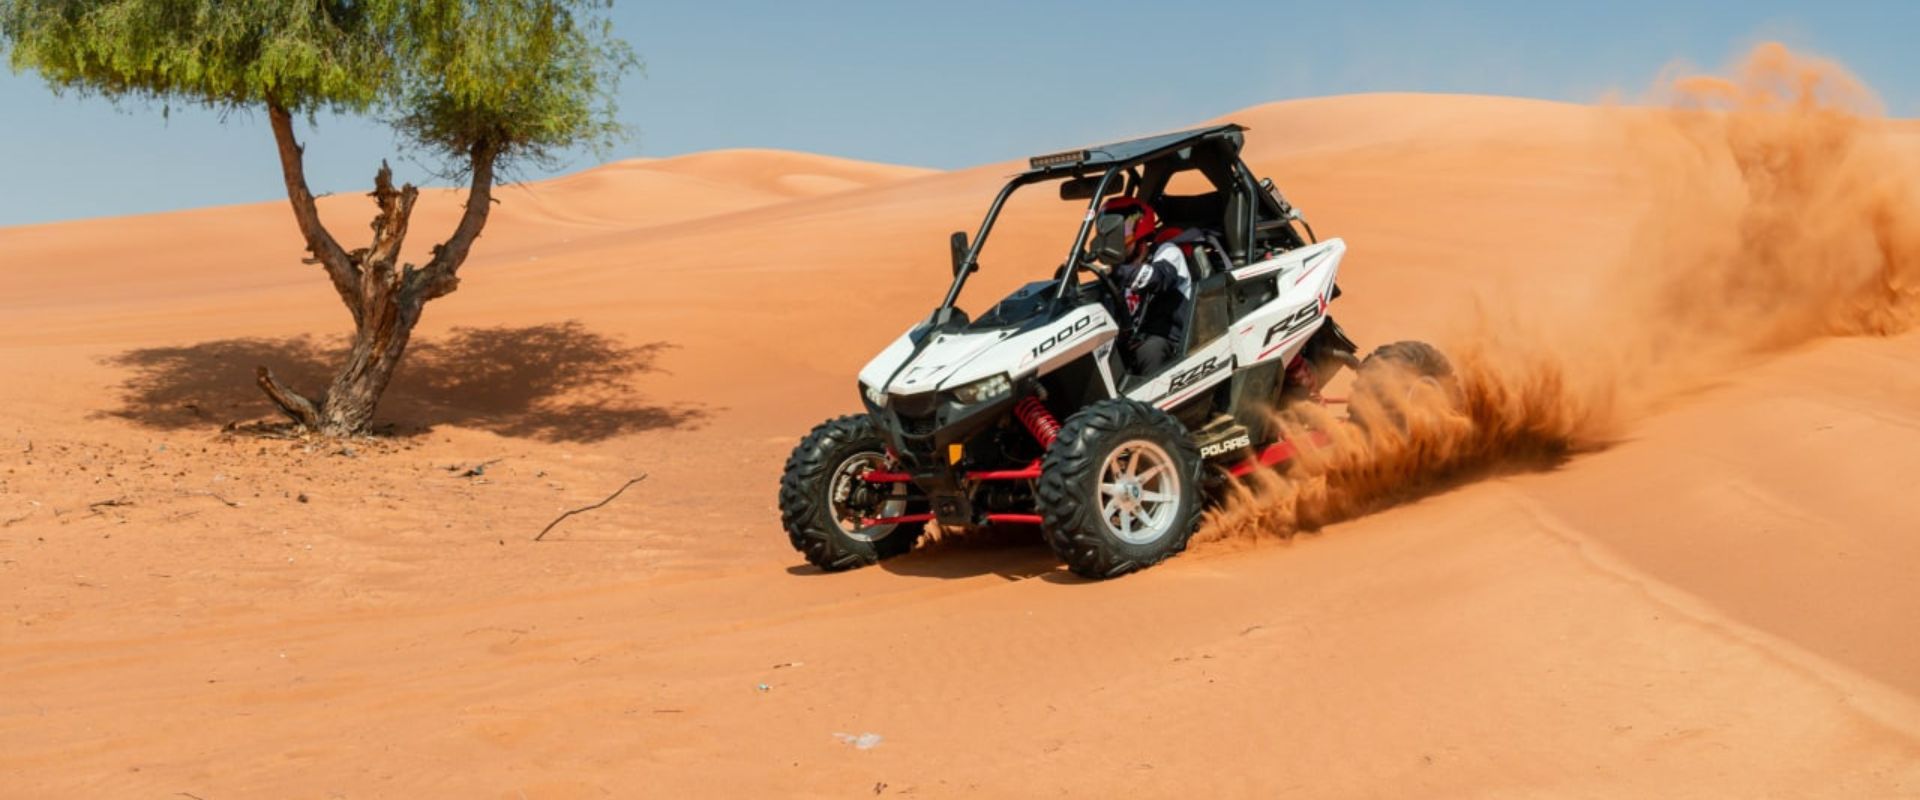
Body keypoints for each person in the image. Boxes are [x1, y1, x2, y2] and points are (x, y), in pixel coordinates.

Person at [1090, 196, 1191, 375]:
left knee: (1149, 350)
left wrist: (1113, 271)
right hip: (1132, 337)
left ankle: (1155, 403)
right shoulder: (1117, 269)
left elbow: (1158, 279)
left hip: (1169, 338)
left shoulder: (1168, 252)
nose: (1114, 239)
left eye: (1122, 231)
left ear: (1140, 229)